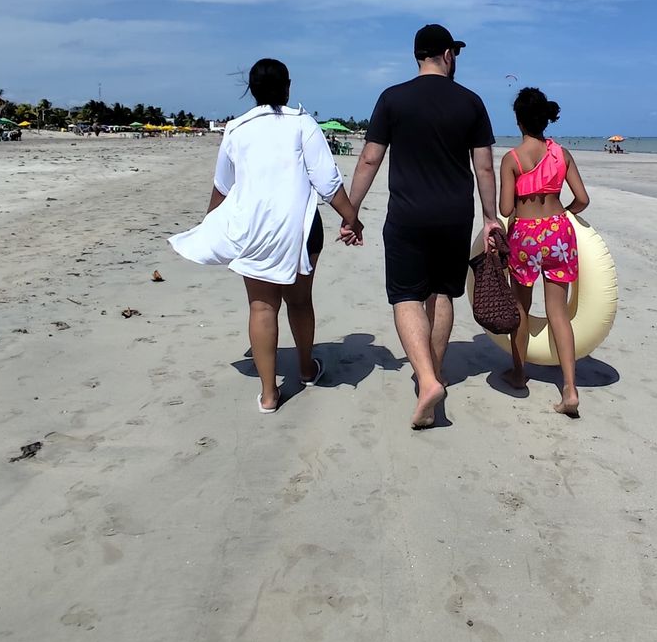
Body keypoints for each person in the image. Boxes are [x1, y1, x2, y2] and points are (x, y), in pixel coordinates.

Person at [168, 58, 362, 414]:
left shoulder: (236, 129)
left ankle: (270, 394)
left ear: (252, 91)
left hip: (253, 227)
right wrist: (351, 218)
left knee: (262, 306)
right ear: (288, 87)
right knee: (300, 302)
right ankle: (305, 369)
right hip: (301, 229)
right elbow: (327, 180)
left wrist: (209, 225)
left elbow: (223, 186)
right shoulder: (302, 122)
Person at [346, 24, 499, 429]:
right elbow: (483, 164)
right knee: (443, 292)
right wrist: (490, 217)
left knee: (406, 296)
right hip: (453, 215)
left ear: (418, 56)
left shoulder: (393, 98)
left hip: (407, 215)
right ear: (447, 54)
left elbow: (369, 160)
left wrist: (352, 211)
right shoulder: (471, 102)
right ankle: (435, 371)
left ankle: (426, 378)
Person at [500, 86, 589, 416]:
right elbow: (582, 199)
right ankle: (570, 388)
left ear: (519, 121)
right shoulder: (562, 154)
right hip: (558, 232)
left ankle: (519, 374)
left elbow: (506, 208)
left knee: (521, 308)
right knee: (558, 312)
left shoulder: (512, 159)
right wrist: (560, 214)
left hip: (525, 236)